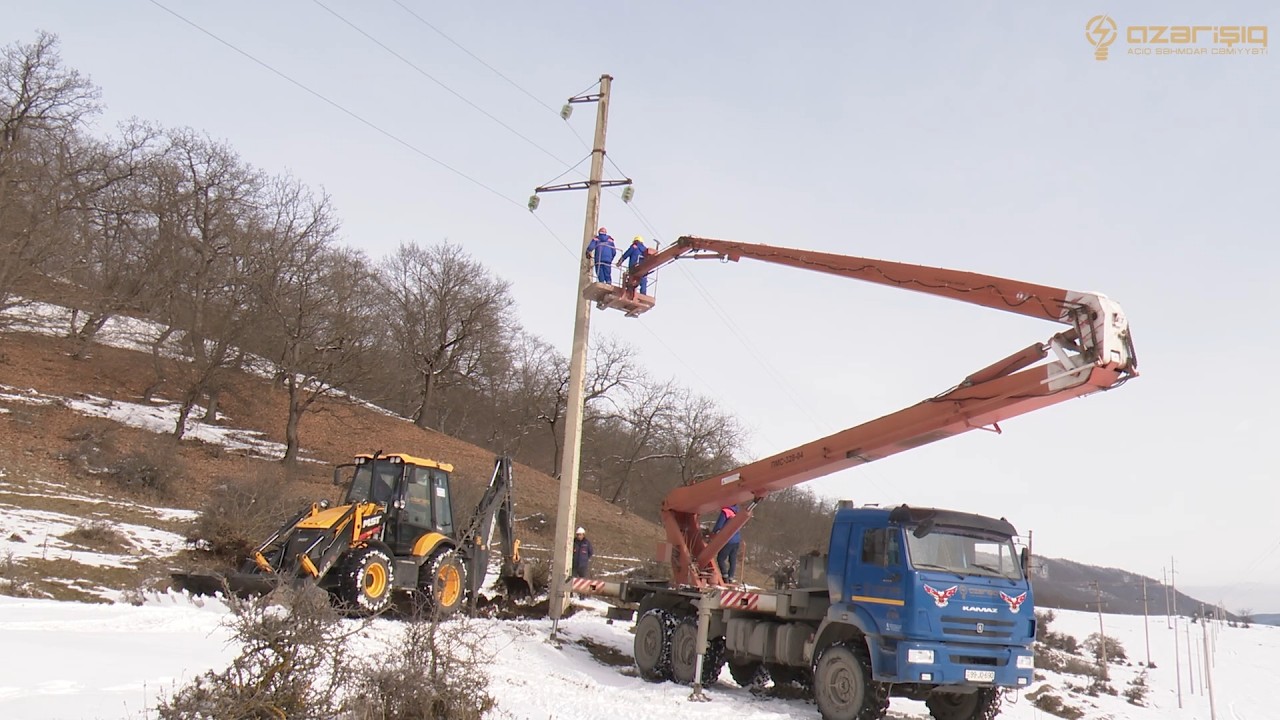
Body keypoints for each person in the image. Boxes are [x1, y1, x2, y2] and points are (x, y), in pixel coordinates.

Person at [713, 504, 742, 583]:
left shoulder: (725, 511)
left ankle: (725, 576)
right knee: (732, 559)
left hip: (728, 540)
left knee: (720, 558)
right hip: (737, 540)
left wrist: (713, 532)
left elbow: (719, 525)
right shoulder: (737, 512)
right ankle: (731, 578)